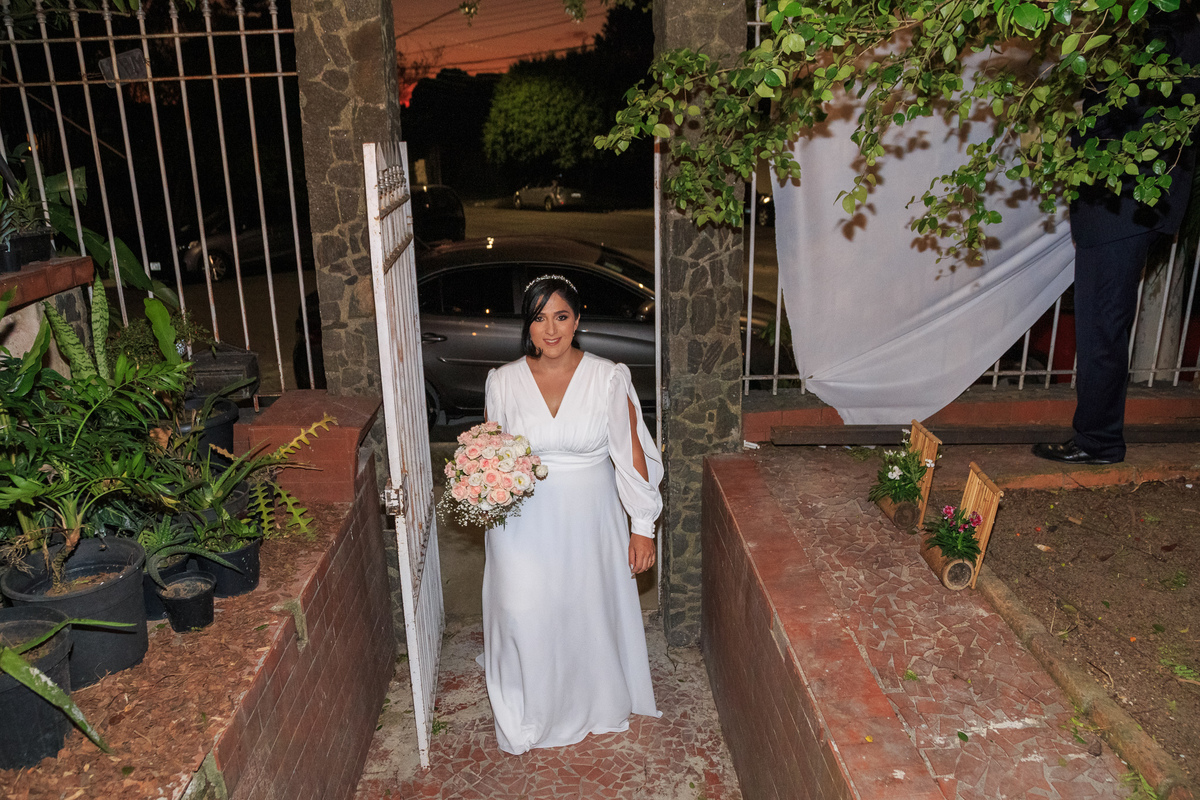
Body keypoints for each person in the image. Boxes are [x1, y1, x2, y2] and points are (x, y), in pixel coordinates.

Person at [480, 274, 662, 754]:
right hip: (521, 523)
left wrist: (642, 527)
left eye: (561, 317)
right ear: (527, 326)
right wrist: (478, 488)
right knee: (523, 609)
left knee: (584, 611)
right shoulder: (503, 381)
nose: (551, 330)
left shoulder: (608, 377)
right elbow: (490, 452)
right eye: (539, 318)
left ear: (577, 320)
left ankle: (591, 699)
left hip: (590, 519)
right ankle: (531, 707)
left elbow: (631, 455)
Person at [1034, 4, 1200, 465]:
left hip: (1123, 206)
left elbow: (1129, 114)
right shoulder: (1164, 24)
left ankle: (1099, 440)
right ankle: (1097, 435)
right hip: (1126, 207)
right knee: (1102, 328)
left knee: (1102, 330)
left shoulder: (1164, 26)